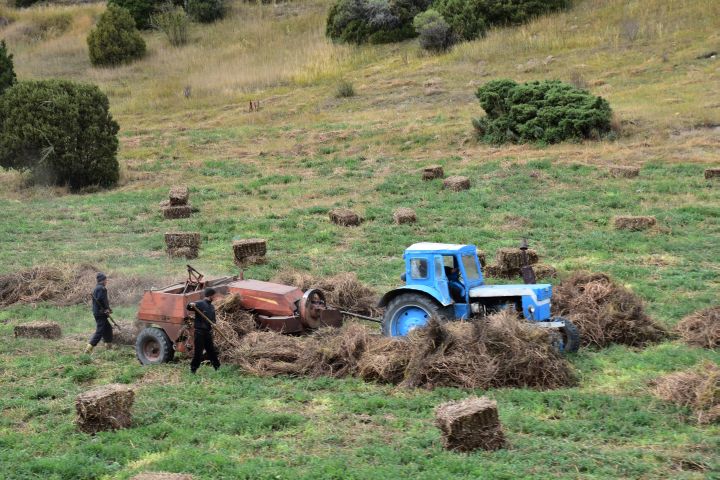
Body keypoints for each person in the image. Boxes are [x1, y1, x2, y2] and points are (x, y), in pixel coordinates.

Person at [187, 287, 221, 374]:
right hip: (199, 333)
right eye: (214, 295)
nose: (215, 297)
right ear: (210, 296)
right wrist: (191, 304)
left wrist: (214, 323)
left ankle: (217, 367)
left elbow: (212, 319)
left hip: (208, 332)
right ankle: (193, 369)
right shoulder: (200, 303)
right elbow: (189, 306)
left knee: (211, 351)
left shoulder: (211, 306)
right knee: (198, 352)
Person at [85, 272, 113, 354]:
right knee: (100, 331)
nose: (106, 281)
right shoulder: (102, 288)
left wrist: (108, 309)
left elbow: (99, 301)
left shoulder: (97, 288)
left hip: (98, 312)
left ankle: (108, 346)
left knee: (108, 328)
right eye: (105, 280)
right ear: (102, 280)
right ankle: (89, 348)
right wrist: (107, 309)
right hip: (101, 313)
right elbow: (102, 300)